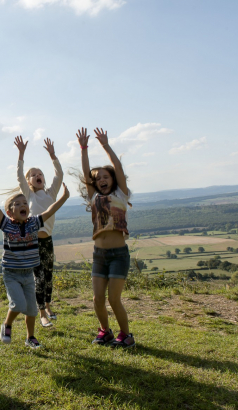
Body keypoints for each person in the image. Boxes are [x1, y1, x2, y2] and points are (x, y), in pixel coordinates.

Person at [0, 177, 69, 349]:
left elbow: (49, 211)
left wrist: (63, 197)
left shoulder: (34, 223)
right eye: (17, 204)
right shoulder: (6, 225)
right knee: (18, 304)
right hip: (11, 274)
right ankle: (7, 325)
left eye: (24, 203)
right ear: (10, 212)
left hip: (28, 273)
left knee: (32, 310)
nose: (23, 205)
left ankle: (30, 338)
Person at [75, 127, 135, 348]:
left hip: (119, 254)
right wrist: (83, 148)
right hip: (99, 255)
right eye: (98, 178)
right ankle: (105, 331)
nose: (101, 180)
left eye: (105, 176)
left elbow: (118, 167)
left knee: (114, 299)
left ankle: (126, 335)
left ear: (113, 179)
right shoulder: (95, 197)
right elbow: (85, 174)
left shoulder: (121, 194)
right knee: (97, 299)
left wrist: (105, 145)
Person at [13, 135, 64, 328]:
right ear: (29, 181)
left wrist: (53, 156)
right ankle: (41, 313)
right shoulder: (28, 195)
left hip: (47, 240)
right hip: (32, 242)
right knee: (39, 277)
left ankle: (48, 306)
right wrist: (21, 154)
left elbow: (59, 175)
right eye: (33, 174)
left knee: (48, 274)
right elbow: (19, 175)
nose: (37, 175)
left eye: (40, 173)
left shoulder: (51, 193)